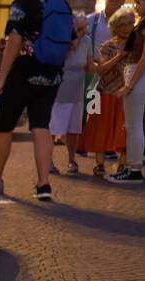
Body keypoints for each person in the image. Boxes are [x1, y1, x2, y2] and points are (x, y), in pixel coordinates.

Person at [0, 0, 67, 200]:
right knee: (41, 126)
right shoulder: (61, 4)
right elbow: (72, 41)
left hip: (23, 73)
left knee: (4, 127)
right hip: (51, 76)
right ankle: (44, 184)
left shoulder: (24, 3)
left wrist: (1, 79)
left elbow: (14, 41)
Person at [83, 6, 134, 176]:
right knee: (100, 129)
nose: (127, 28)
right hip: (105, 92)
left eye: (130, 24)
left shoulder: (139, 47)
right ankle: (99, 164)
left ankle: (122, 164)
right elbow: (101, 70)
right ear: (116, 27)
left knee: (126, 130)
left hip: (127, 93)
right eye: (123, 25)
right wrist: (119, 56)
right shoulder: (108, 46)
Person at [108, 0, 145, 182]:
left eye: (139, 2)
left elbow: (144, 58)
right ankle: (131, 166)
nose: (137, 5)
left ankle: (135, 168)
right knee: (131, 125)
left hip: (137, 76)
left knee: (135, 125)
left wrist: (129, 84)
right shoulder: (142, 23)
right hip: (134, 74)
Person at [52, 14, 95, 172]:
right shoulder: (62, 41)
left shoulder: (87, 41)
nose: (82, 32)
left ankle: (71, 159)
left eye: (84, 28)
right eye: (79, 29)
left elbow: (90, 65)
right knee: (54, 125)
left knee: (73, 127)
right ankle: (48, 160)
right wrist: (69, 44)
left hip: (77, 87)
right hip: (61, 86)